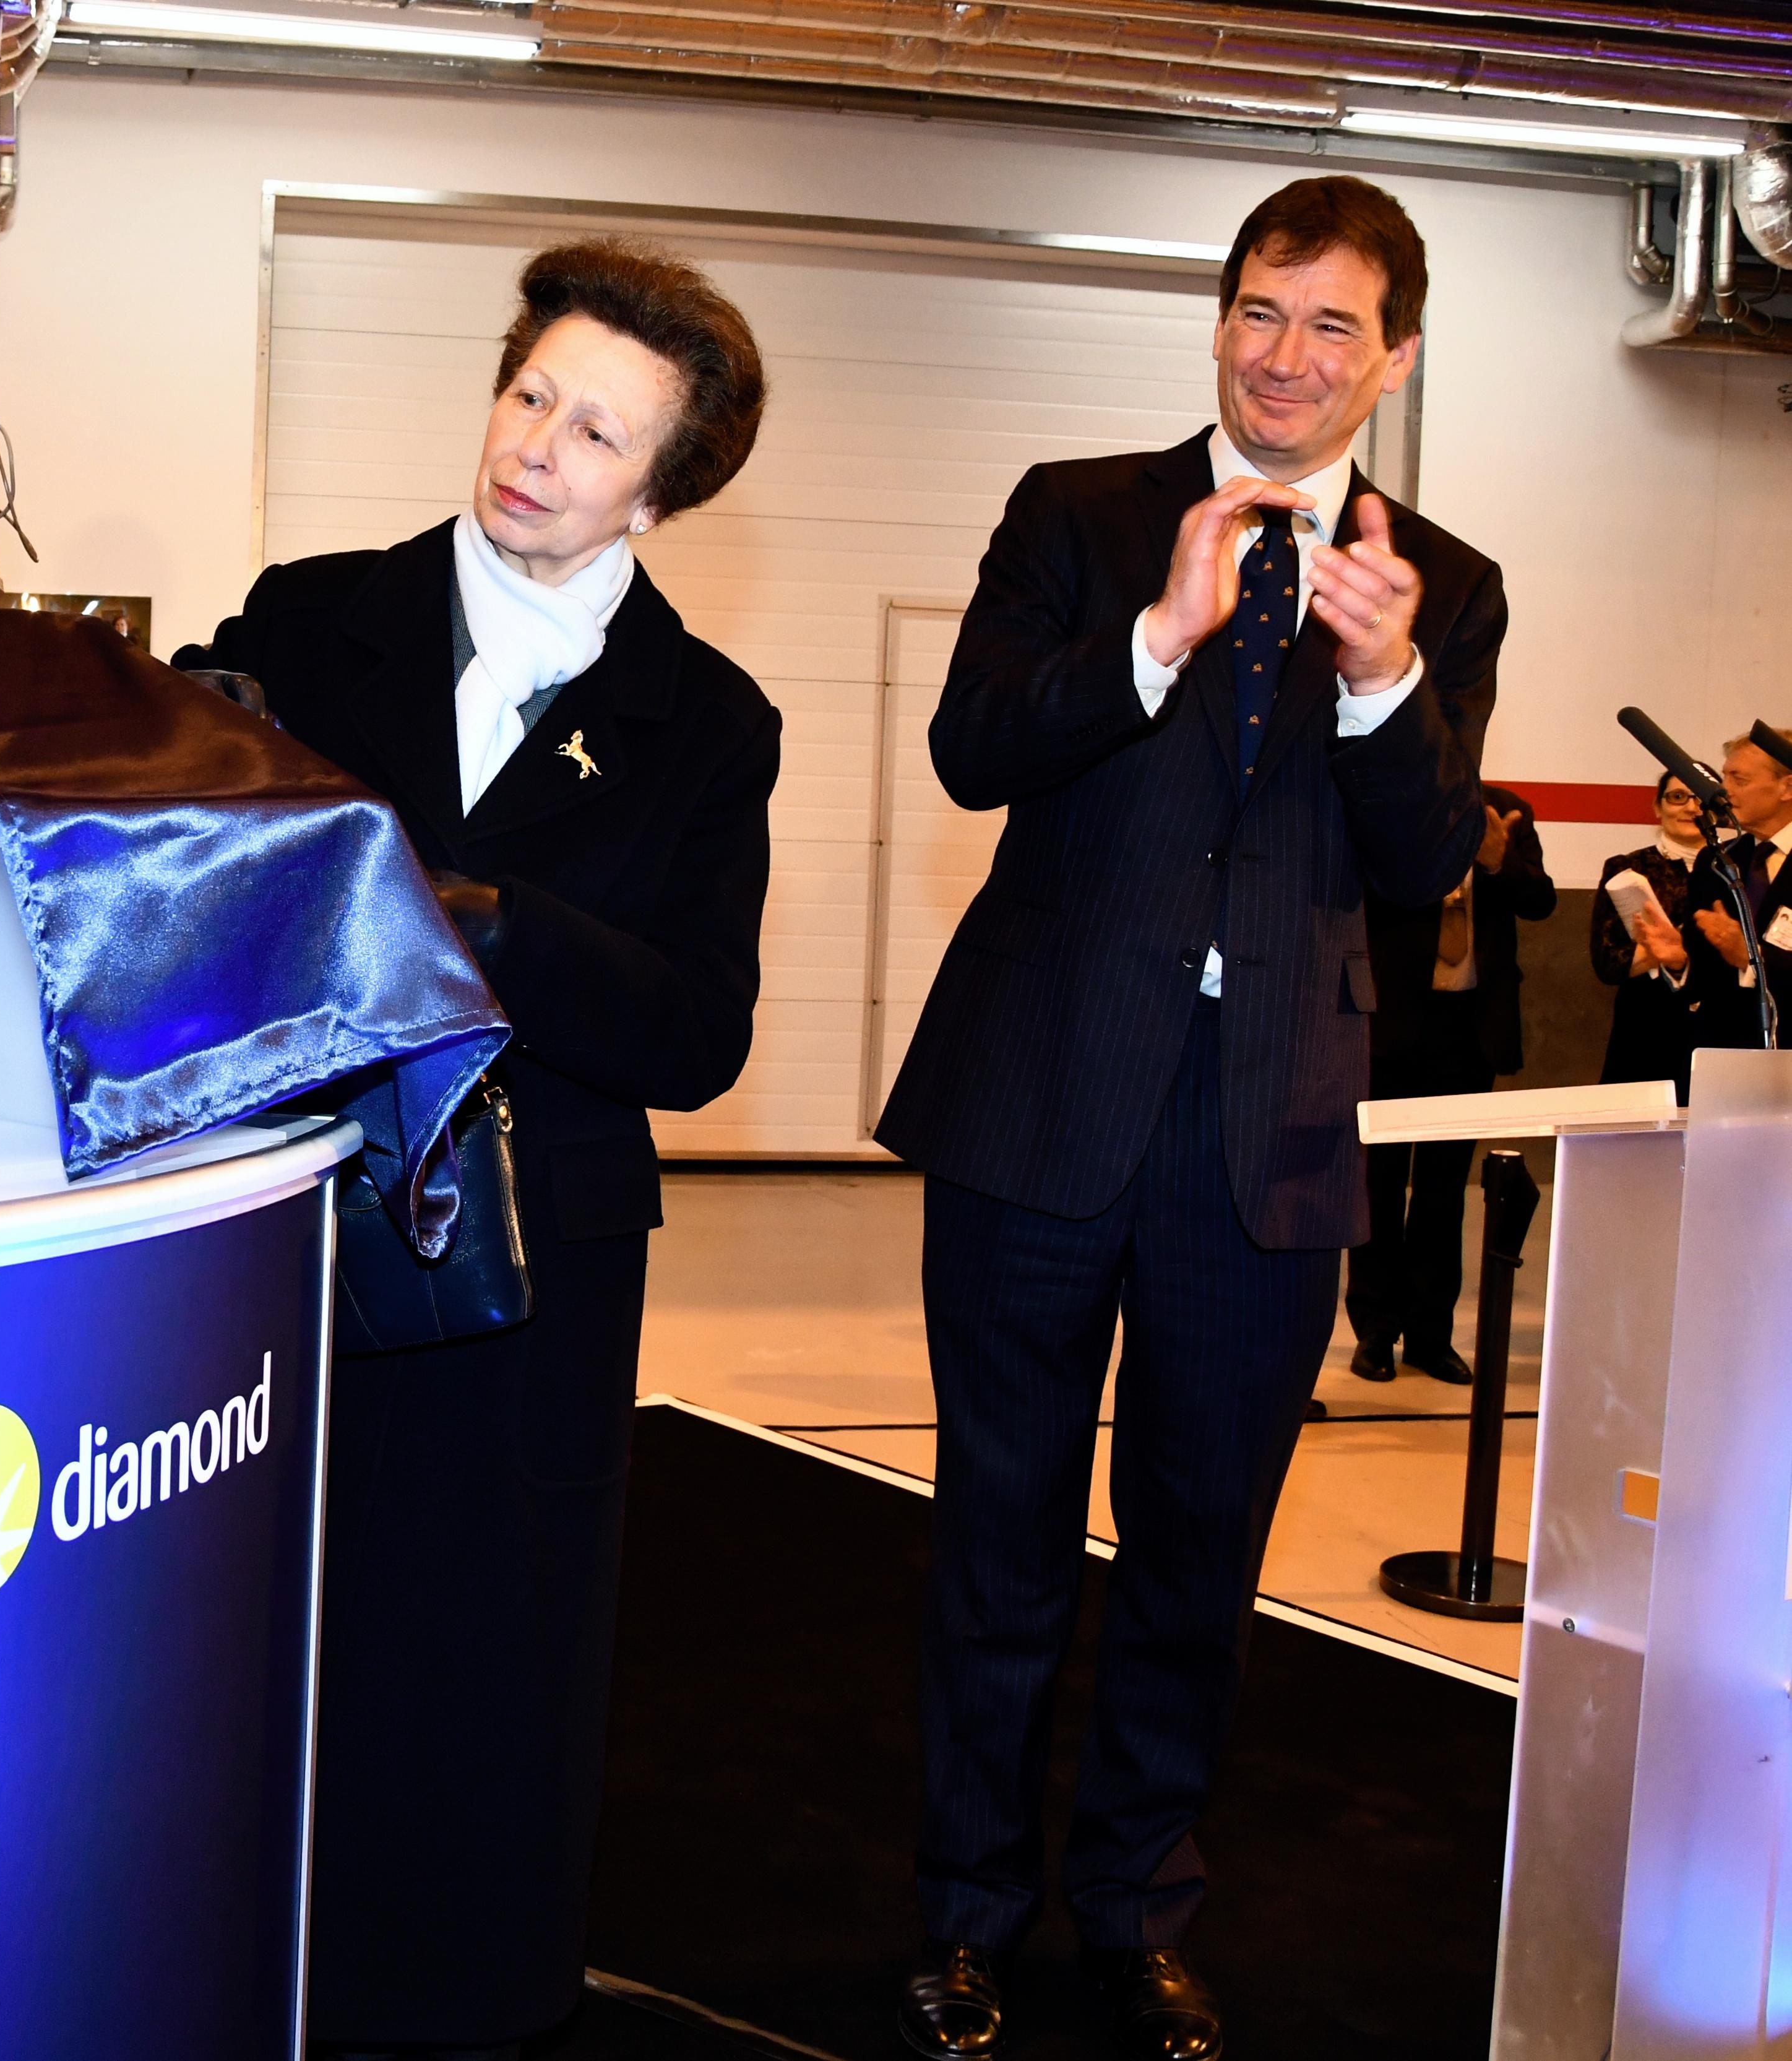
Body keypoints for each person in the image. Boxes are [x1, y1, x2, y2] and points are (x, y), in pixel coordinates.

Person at [872, 176, 1499, 2061]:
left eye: (1329, 327)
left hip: (1271, 1131)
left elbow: (1426, 866)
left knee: (1196, 1557)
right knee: (997, 1539)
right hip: (1039, 1108)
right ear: (1215, 320)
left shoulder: (1441, 586)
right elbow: (974, 746)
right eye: (1255, 311)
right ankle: (964, 1918)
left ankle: (1135, 1912)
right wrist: (1153, 634)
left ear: (1394, 356)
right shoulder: (1077, 515)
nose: (1283, 355)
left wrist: (1388, 686)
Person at [178, 238, 778, 2060]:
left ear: (664, 489)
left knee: (497, 1666)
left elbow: (699, 1034)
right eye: (531, 394)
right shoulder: (303, 621)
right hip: (282, 1216)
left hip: (540, 1258)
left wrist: (498, 923)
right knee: (271, 1635)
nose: (537, 448)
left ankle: (477, 2006)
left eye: (598, 432)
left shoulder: (711, 724)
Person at [1346, 782, 1555, 1384]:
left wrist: (1497, 860)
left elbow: (1539, 901)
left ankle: (1430, 1336)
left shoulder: (1503, 809)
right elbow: (1363, 893)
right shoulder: (1387, 797)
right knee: (1378, 1186)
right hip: (1388, 1023)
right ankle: (1376, 1332)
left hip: (1467, 1032)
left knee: (1443, 1189)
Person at [1590, 773, 1707, 1099]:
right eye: (1678, 797)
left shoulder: (1736, 868)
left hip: (1715, 1024)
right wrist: (1670, 949)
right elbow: (1608, 964)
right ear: (1658, 807)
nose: (1691, 807)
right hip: (1647, 1023)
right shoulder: (1628, 868)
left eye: (1700, 798)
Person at [1679, 729, 1792, 1055]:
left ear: (1787, 787)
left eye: (1739, 780)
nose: (1724, 791)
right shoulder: (1716, 859)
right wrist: (1677, 962)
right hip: (1722, 1051)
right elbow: (1702, 969)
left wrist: (1752, 959)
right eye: (1724, 776)